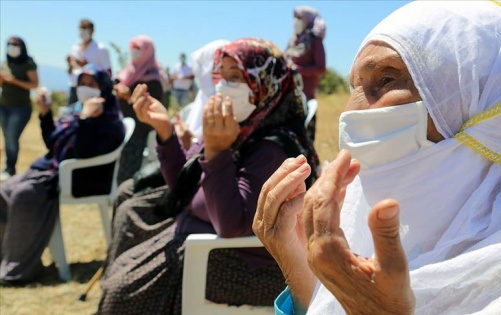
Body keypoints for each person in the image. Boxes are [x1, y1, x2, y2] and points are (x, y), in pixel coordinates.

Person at [253, 1, 501, 314]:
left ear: (482, 101)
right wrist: (303, 274)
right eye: (354, 87)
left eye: (386, 80)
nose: (350, 112)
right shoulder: (368, 235)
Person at [98, 38, 319, 314]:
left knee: (124, 291)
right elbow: (187, 186)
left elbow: (230, 224)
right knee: (127, 254)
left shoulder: (273, 148)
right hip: (204, 238)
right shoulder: (240, 126)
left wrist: (216, 152)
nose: (223, 85)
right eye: (221, 75)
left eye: (235, 76)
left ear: (266, 84)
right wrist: (165, 130)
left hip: (247, 266)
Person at [0, 64, 124, 285]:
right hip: (53, 171)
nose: (85, 88)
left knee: (23, 195)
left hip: (80, 179)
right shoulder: (75, 110)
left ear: (103, 87)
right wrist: (46, 114)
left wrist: (87, 121)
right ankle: (6, 256)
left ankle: (19, 269)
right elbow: (53, 143)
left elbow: (83, 154)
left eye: (91, 84)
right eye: (82, 83)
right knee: (3, 190)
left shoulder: (109, 120)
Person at [113, 35, 166, 184]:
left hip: (138, 133)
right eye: (133, 48)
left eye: (139, 49)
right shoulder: (127, 73)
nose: (134, 52)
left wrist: (129, 97)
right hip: (118, 128)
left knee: (126, 177)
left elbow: (149, 110)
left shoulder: (153, 80)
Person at [285, 5, 326, 142]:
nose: (295, 21)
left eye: (299, 18)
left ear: (308, 20)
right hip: (288, 97)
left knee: (304, 141)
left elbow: (321, 68)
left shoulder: (315, 40)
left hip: (306, 100)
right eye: (294, 18)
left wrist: (298, 70)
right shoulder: (293, 40)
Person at [0, 37, 39, 181]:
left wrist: (13, 80)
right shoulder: (6, 62)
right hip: (4, 105)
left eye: (15, 44)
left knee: (11, 138)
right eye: (9, 44)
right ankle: (9, 168)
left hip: (20, 108)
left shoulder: (28, 63)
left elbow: (34, 84)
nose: (11, 47)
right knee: (6, 138)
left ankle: (10, 169)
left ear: (21, 47)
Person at [66, 19, 111, 105]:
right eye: (81, 28)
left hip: (91, 89)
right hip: (75, 87)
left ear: (92, 30)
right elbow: (71, 72)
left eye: (85, 28)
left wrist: (86, 65)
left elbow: (108, 73)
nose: (82, 31)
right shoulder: (75, 48)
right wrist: (70, 64)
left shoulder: (101, 49)